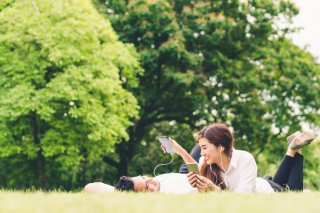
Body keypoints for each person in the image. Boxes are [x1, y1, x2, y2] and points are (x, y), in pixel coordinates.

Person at [170, 123, 315, 193]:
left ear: (220, 147)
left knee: (295, 194)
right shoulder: (205, 162)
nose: (201, 153)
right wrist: (198, 184)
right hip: (260, 184)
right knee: (279, 182)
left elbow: (242, 199)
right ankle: (293, 147)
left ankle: (297, 148)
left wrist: (214, 189)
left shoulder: (245, 159)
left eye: (205, 148)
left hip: (269, 192)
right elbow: (195, 171)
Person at [84, 173, 197, 194]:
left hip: (182, 173)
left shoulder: (124, 190)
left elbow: (89, 186)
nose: (150, 180)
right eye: (147, 186)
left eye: (143, 177)